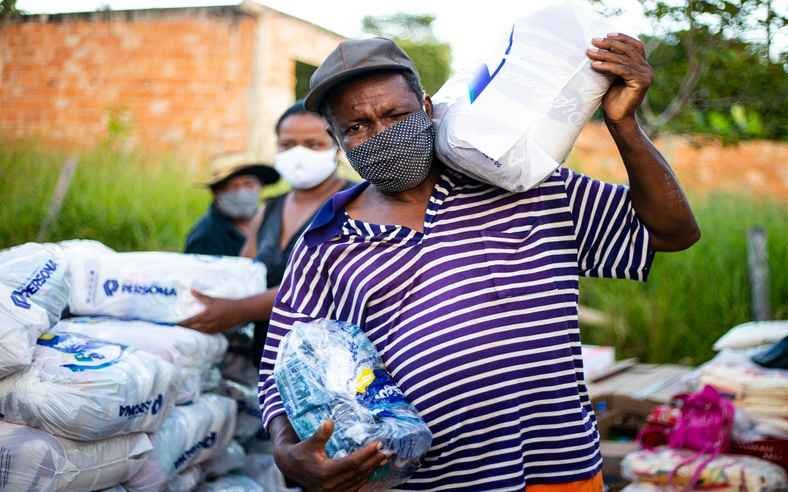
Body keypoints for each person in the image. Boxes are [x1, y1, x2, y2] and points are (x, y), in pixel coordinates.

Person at [258, 37, 700, 491]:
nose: (382, 135)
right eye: (357, 127)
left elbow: (672, 233)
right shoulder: (327, 240)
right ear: (336, 141)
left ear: (427, 108)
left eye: (396, 116)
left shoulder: (525, 183)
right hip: (436, 484)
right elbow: (281, 367)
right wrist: (288, 453)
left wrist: (624, 124)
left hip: (563, 472)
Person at [181, 102, 351, 365]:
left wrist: (237, 310)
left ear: (337, 146)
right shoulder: (269, 209)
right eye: (287, 144)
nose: (298, 153)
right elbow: (244, 274)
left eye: (313, 144)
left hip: (333, 361)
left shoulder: (358, 204)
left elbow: (324, 286)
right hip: (269, 357)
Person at [184, 154, 279, 256]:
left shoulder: (273, 222)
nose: (242, 193)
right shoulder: (204, 236)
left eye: (248, 184)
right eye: (233, 186)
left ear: (260, 187)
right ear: (216, 193)